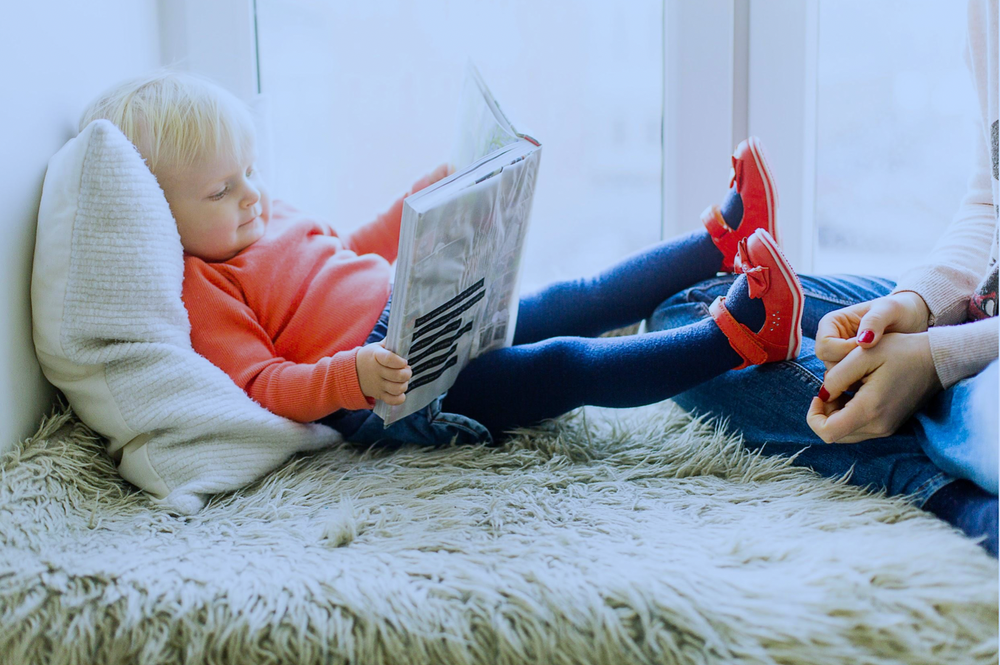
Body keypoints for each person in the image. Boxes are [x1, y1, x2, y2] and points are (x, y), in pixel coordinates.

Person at [78, 71, 803, 460]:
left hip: (428, 309)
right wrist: (351, 378)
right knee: (565, 364)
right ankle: (738, 336)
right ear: (161, 216)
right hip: (402, 385)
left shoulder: (265, 216)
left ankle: (722, 236)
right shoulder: (202, 287)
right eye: (221, 189)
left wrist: (423, 200)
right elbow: (266, 386)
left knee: (575, 295)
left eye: (249, 170)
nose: (251, 195)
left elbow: (348, 247)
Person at [649, 0, 998, 556]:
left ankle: (943, 490)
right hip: (984, 311)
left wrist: (937, 360)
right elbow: (989, 199)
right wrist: (917, 304)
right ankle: (931, 432)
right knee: (693, 320)